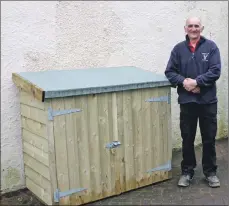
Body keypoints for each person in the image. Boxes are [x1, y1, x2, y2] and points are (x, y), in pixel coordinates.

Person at [164, 17, 221, 188]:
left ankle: (210, 172)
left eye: (197, 26)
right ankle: (187, 171)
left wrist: (197, 83)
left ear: (201, 28)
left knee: (209, 138)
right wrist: (185, 83)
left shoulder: (211, 47)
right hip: (187, 102)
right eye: (190, 26)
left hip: (207, 101)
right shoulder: (178, 49)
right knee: (187, 138)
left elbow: (215, 71)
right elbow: (170, 72)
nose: (194, 29)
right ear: (185, 28)